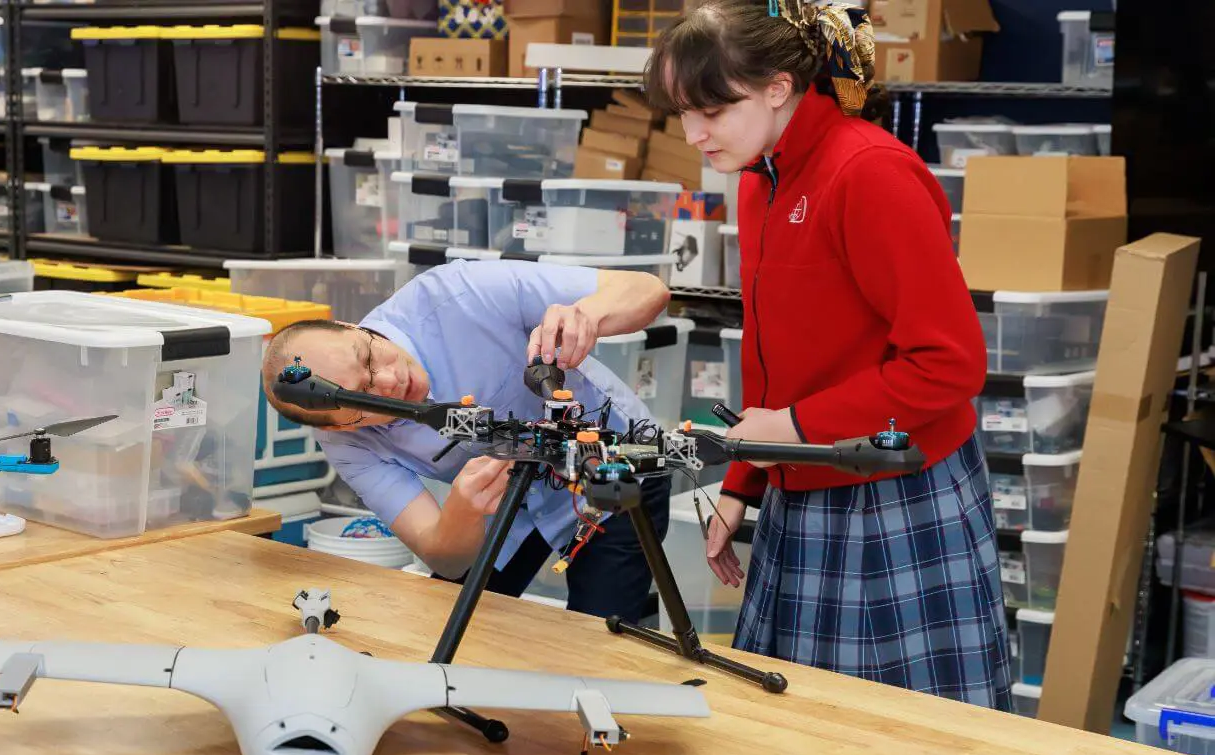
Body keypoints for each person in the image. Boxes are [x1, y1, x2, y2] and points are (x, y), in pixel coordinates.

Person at [645, 0, 1012, 710]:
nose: (693, 135)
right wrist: (742, 480)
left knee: (903, 735)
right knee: (797, 721)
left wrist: (792, 429)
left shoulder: (869, 173)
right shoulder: (760, 178)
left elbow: (949, 362)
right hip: (803, 475)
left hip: (896, 489)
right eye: (682, 113)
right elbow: (774, 352)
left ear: (778, 87)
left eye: (712, 111)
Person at [260, 260, 676, 623]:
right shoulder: (344, 442)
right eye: (363, 400)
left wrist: (588, 315)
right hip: (504, 504)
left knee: (599, 638)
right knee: (448, 629)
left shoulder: (460, 293)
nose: (389, 381)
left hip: (610, 471)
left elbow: (648, 289)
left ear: (348, 326)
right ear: (339, 428)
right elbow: (445, 556)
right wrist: (461, 512)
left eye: (368, 357)